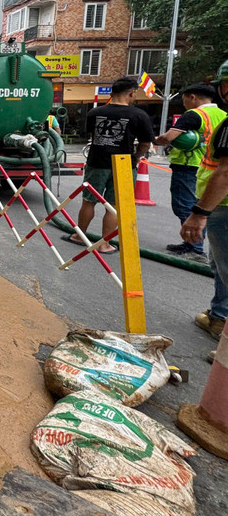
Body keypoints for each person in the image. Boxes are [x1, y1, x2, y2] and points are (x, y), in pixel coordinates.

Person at [67, 77, 154, 253]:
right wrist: (136, 157)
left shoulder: (95, 113)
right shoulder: (139, 115)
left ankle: (79, 236)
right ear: (131, 93)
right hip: (123, 165)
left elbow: (92, 135)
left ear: (112, 93)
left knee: (88, 202)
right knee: (114, 205)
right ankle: (104, 244)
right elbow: (145, 144)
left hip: (97, 162)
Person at [180, 70, 228, 346]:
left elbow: (224, 172)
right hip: (219, 204)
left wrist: (199, 214)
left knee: (225, 267)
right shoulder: (221, 117)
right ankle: (219, 314)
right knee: (219, 264)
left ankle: (221, 322)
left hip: (222, 205)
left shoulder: (215, 120)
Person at [154, 84, 225, 263]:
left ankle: (195, 248)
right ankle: (190, 243)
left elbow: (168, 138)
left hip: (187, 164)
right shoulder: (223, 115)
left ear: (192, 97)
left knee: (184, 205)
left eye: (184, 99)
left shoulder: (194, 115)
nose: (184, 103)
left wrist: (153, 140)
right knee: (199, 207)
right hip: (210, 168)